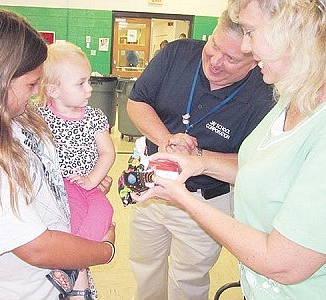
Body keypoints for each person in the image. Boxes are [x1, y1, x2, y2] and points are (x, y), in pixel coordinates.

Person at [132, 0, 326, 299]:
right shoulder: (291, 99)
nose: (248, 45)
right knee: (147, 266)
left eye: (250, 32)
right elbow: (257, 167)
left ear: (291, 30)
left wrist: (184, 198)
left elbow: (285, 263)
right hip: (260, 287)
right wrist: (197, 161)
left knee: (188, 278)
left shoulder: (286, 105)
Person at [0, 9, 115, 300]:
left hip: (58, 279)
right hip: (27, 292)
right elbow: (35, 247)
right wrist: (104, 250)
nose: (35, 92)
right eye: (30, 84)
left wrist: (81, 188)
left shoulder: (13, 114)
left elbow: (41, 177)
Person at [126, 9, 275, 300]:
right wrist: (166, 140)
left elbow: (254, 163)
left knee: (189, 280)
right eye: (214, 47)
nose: (216, 62)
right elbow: (137, 102)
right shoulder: (178, 54)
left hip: (206, 200)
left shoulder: (264, 93)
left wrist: (197, 156)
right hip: (151, 185)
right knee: (145, 268)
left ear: (255, 60)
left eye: (231, 59)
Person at [37, 41, 115, 297]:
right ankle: (76, 269)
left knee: (105, 211)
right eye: (81, 83)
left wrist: (93, 179)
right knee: (75, 217)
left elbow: (108, 152)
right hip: (61, 187)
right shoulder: (39, 117)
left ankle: (74, 265)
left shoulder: (94, 117)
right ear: (53, 90)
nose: (89, 89)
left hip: (88, 185)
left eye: (89, 81)